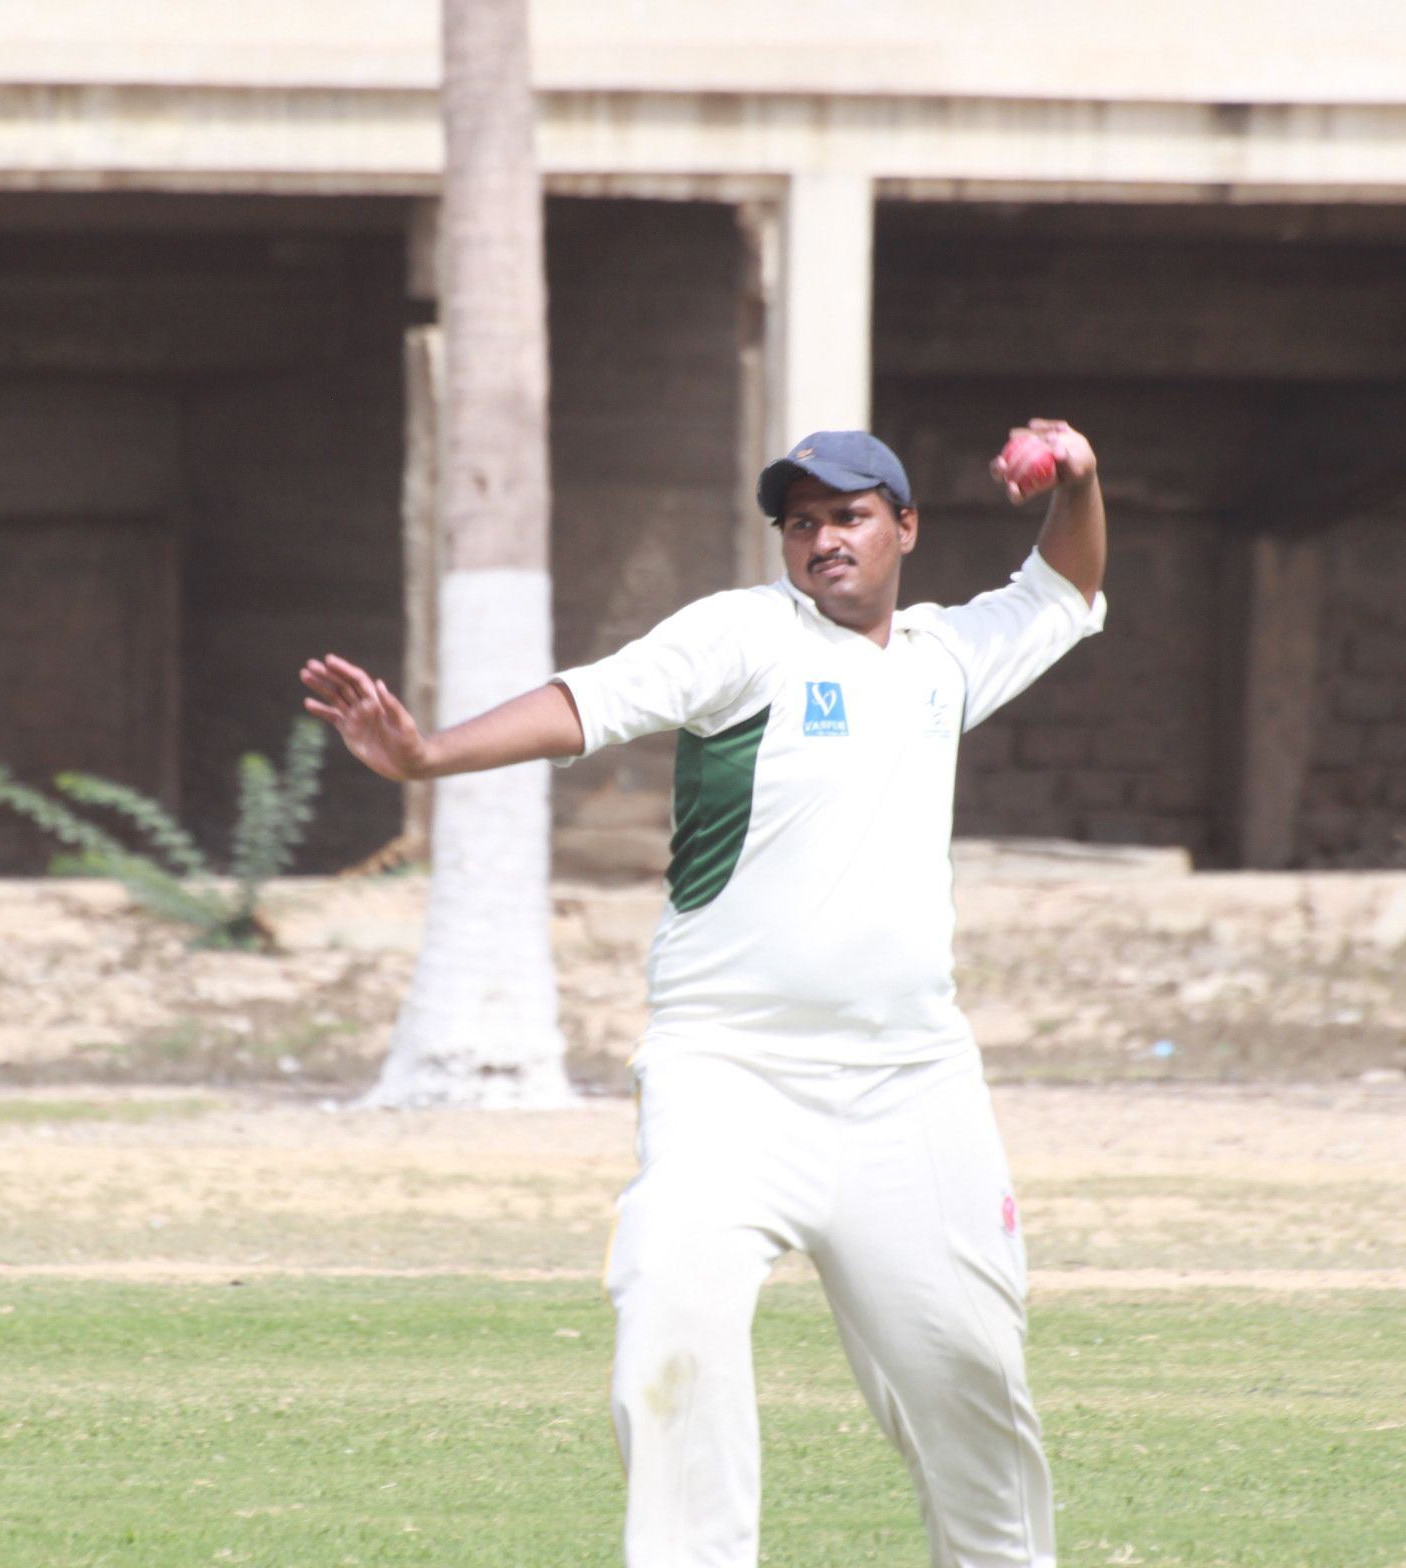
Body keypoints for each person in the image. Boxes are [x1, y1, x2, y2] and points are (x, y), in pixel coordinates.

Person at [300, 421, 1106, 1568]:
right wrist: (427, 757)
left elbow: (1063, 586)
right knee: (669, 1321)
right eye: (801, 522)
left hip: (913, 1083)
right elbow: (588, 702)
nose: (824, 539)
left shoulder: (946, 657)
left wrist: (1079, 476)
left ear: (906, 526)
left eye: (850, 515)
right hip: (731, 1073)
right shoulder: (744, 635)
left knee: (971, 1377)